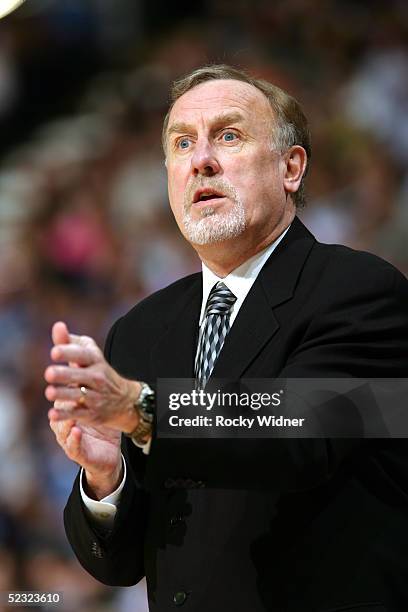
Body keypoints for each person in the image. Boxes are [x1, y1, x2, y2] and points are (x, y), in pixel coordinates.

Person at [45, 65, 408, 612]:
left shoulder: (363, 292)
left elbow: (295, 433)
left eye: (229, 136)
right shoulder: (139, 331)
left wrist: (143, 411)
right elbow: (119, 565)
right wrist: (106, 478)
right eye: (182, 143)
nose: (201, 159)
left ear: (291, 167)